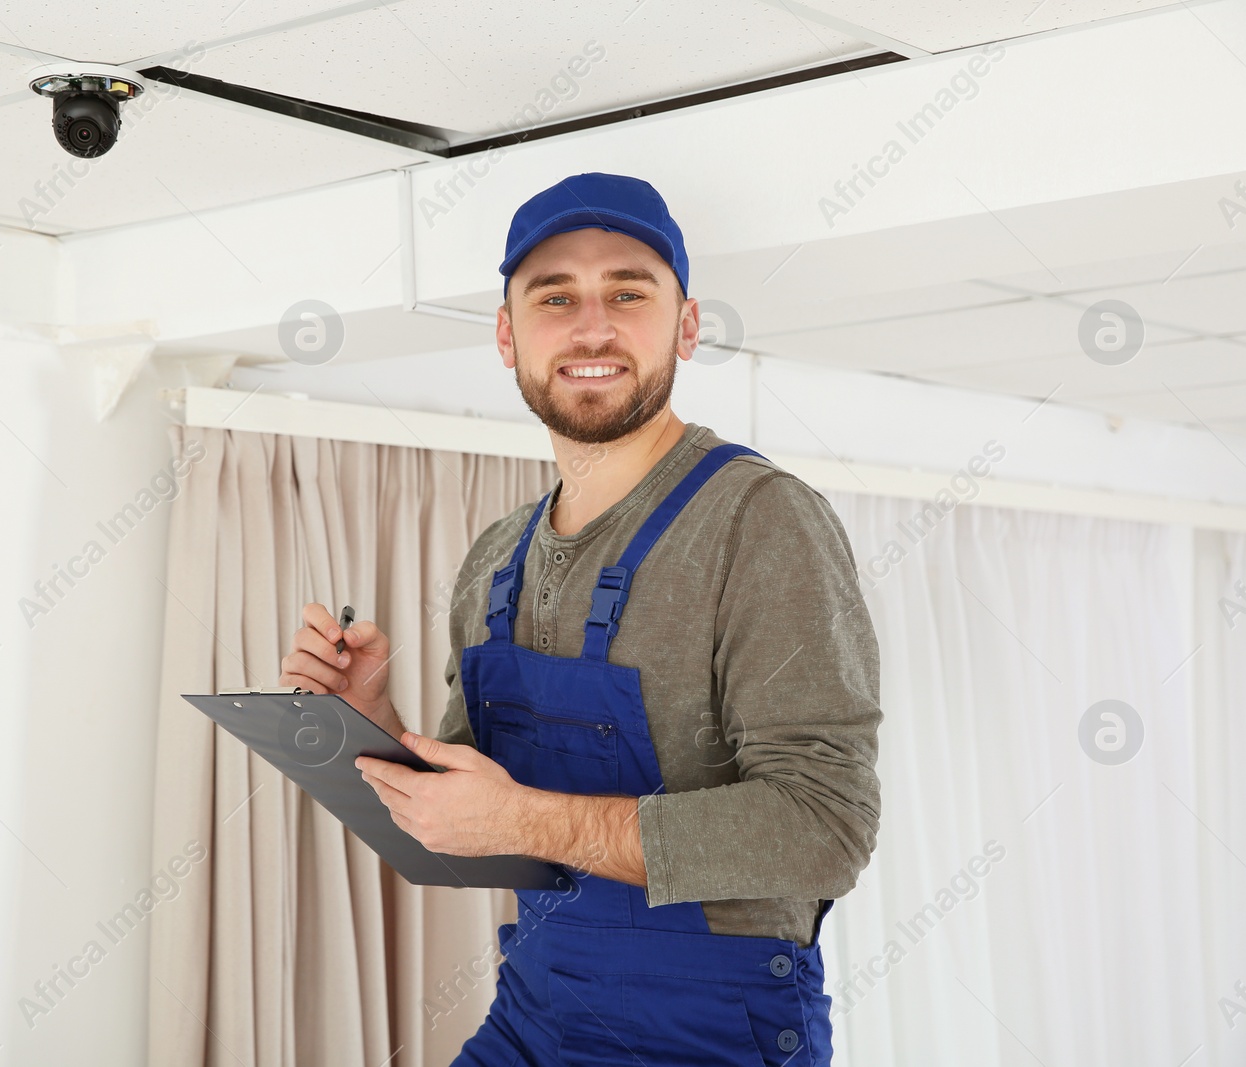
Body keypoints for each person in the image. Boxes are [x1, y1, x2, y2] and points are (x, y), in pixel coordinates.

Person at [279, 172, 882, 1065]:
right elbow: (476, 837)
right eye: (554, 296)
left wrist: (531, 821)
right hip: (534, 1011)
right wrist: (374, 727)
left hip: (710, 1033)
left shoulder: (760, 521)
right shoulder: (496, 555)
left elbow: (825, 829)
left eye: (627, 293)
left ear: (685, 324)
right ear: (506, 332)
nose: (590, 326)